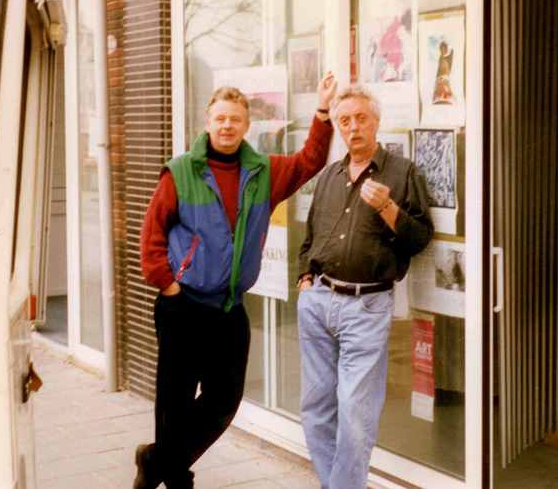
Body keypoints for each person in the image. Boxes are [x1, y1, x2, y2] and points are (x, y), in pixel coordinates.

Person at [135, 73, 336, 489]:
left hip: (229, 308)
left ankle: (156, 460)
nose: (227, 126)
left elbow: (309, 162)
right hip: (183, 304)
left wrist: (321, 112)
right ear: (207, 123)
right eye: (220, 118)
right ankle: (175, 477)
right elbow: (151, 236)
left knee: (224, 400)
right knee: (173, 402)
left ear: (247, 126)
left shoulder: (265, 172)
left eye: (235, 120)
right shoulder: (180, 172)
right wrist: (169, 287)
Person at [297, 85, 434, 489]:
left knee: (355, 415)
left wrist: (388, 208)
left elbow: (420, 238)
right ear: (338, 127)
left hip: (366, 306)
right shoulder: (329, 176)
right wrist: (305, 277)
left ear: (376, 121)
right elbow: (311, 236)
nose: (353, 127)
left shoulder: (402, 172)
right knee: (316, 408)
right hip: (319, 301)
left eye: (361, 118)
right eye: (345, 120)